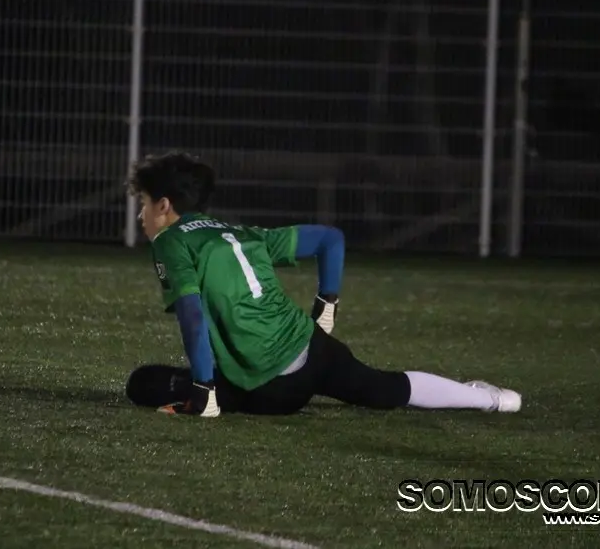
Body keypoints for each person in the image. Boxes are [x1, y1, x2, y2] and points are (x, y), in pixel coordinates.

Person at [123, 151, 522, 417]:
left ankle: (209, 390)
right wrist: (326, 306)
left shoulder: (171, 241)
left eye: (143, 203)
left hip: (269, 391)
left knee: (143, 383)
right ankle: (491, 399)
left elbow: (193, 317)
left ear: (164, 205)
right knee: (384, 387)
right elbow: (330, 239)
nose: (141, 215)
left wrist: (201, 391)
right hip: (314, 351)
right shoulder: (242, 232)